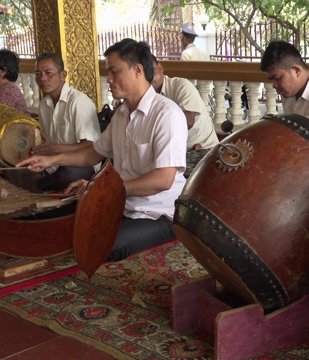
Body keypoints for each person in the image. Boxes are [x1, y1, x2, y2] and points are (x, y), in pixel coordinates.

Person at [17, 39, 188, 261]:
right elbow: (94, 153)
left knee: (102, 247)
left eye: (114, 72)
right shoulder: (121, 114)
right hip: (120, 205)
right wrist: (51, 160)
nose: (108, 79)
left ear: (137, 70)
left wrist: (105, 190)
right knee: (49, 222)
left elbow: (163, 180)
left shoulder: (167, 115)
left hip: (158, 214)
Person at [32, 52, 101, 191]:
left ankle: (40, 188)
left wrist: (55, 148)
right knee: (23, 167)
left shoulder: (78, 101)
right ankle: (40, 187)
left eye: (48, 73)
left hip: (82, 164)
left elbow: (91, 146)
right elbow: (48, 142)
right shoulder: (44, 104)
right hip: (55, 162)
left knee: (68, 174)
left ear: (63, 75)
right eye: (38, 74)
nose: (42, 78)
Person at [150, 55, 218, 150]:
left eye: (152, 71)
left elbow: (188, 121)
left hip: (204, 151)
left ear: (161, 67)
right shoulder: (142, 96)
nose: (150, 77)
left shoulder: (181, 86)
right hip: (175, 152)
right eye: (145, 74)